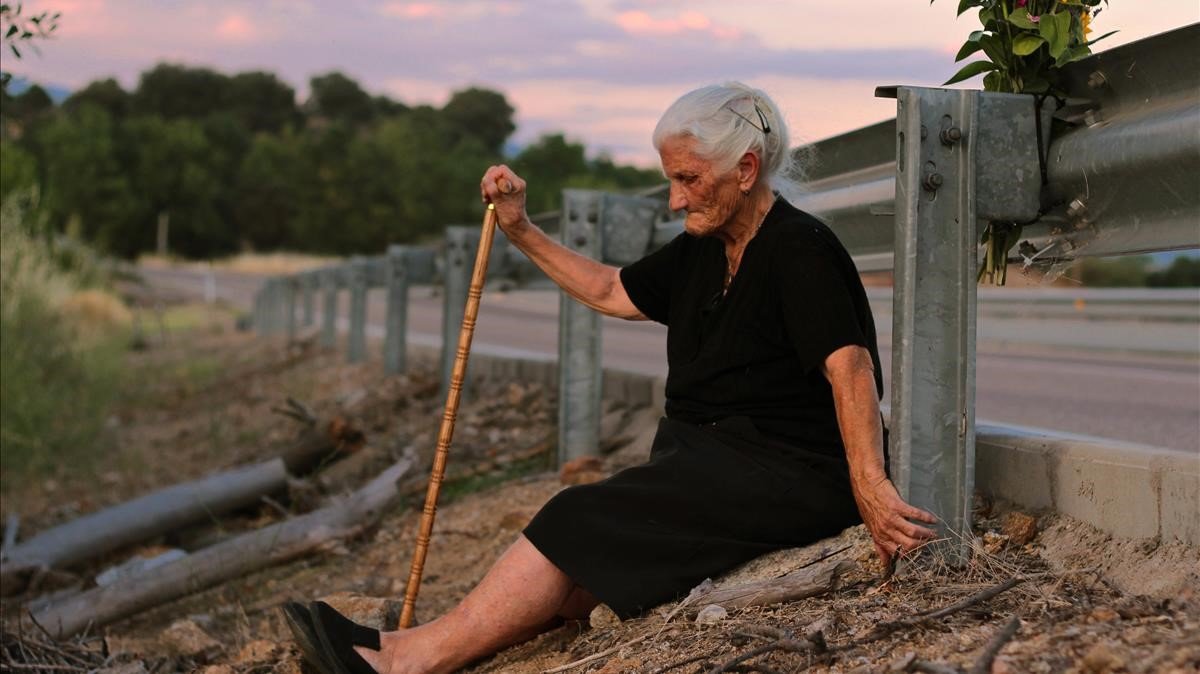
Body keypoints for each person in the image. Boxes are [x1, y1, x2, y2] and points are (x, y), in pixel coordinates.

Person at [288, 81, 937, 674]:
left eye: (687, 179)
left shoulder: (800, 248)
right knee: (578, 577)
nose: (677, 198)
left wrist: (870, 487)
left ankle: (405, 663)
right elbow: (610, 289)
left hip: (786, 473)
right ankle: (400, 644)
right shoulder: (702, 247)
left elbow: (848, 368)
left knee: (577, 515)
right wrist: (521, 229)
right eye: (670, 180)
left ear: (745, 170)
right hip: (711, 462)